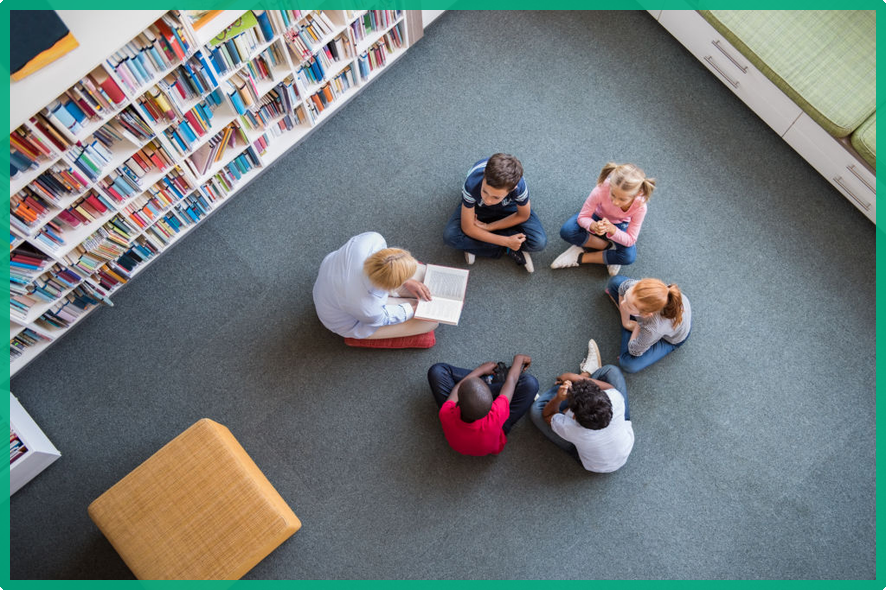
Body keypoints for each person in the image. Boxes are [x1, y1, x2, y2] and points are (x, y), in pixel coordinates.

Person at [530, 340, 634, 472]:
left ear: (573, 416)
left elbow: (547, 415)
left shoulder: (573, 430)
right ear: (606, 398)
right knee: (610, 371)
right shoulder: (615, 398)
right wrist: (574, 378)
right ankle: (582, 378)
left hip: (591, 463)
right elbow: (610, 388)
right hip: (623, 449)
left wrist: (559, 398)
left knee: (537, 411)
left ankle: (573, 384)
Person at [312, 231, 438, 339]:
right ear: (390, 286)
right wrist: (413, 309)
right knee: (430, 323)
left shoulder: (372, 240)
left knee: (423, 275)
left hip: (334, 280)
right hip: (349, 318)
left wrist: (407, 280)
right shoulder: (367, 308)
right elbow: (384, 317)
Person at [443, 153, 547, 273]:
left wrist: (489, 227)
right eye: (485, 191)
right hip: (478, 207)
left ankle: (476, 244)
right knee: (450, 236)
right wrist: (507, 242)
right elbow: (468, 228)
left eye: (495, 197)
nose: (488, 200)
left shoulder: (519, 186)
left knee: (539, 242)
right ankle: (508, 249)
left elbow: (523, 215)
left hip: (509, 207)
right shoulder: (471, 183)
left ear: (512, 189)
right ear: (484, 176)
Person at [550, 162, 656, 276]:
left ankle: (581, 257)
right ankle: (608, 247)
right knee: (567, 231)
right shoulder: (601, 189)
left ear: (637, 194)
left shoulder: (640, 206)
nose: (615, 202)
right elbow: (583, 217)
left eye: (622, 199)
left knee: (628, 257)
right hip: (597, 215)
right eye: (613, 195)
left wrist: (613, 230)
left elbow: (631, 239)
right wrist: (593, 226)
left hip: (620, 224)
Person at [427, 354, 538, 456]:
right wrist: (519, 359)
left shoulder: (446, 412)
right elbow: (512, 380)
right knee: (530, 383)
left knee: (437, 371)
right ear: (492, 404)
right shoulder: (496, 413)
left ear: (457, 403)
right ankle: (489, 383)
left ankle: (484, 382)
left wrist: (480, 370)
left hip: (463, 437)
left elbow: (458, 388)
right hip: (496, 429)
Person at [605, 276, 691, 373]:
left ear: (646, 314)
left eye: (629, 306)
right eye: (626, 297)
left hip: (672, 338)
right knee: (614, 282)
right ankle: (633, 319)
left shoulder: (651, 329)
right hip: (655, 322)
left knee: (628, 363)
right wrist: (626, 322)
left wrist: (639, 325)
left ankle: (637, 327)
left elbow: (634, 350)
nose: (622, 304)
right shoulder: (634, 287)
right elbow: (622, 288)